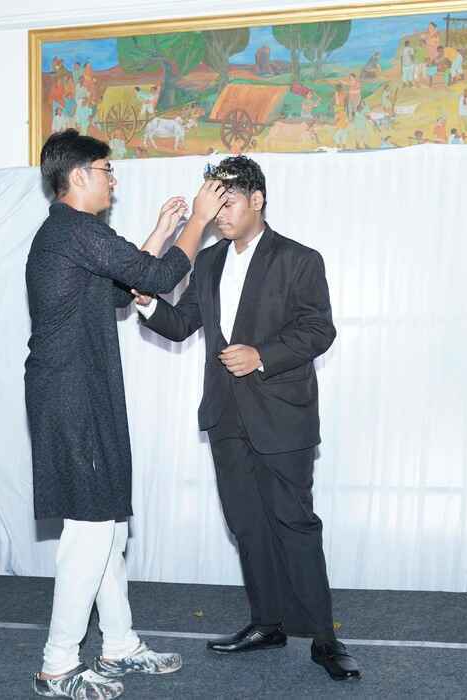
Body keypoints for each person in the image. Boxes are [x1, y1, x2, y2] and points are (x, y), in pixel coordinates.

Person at [134, 156, 361, 682]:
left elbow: (319, 330)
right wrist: (148, 304)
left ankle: (325, 639)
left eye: (228, 201)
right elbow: (182, 323)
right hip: (225, 417)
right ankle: (267, 624)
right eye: (212, 204)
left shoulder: (299, 259)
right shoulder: (209, 261)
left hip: (282, 418)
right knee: (247, 526)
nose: (219, 214)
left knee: (295, 526)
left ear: (257, 199)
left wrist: (261, 355)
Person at [26, 129, 227, 700]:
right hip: (71, 396)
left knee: (109, 529)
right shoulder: (73, 229)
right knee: (90, 531)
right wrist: (199, 219)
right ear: (79, 175)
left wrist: (162, 233)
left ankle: (118, 645)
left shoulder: (74, 235)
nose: (114, 182)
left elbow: (121, 289)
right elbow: (156, 279)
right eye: (107, 171)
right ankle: (57, 666)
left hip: (86, 392)